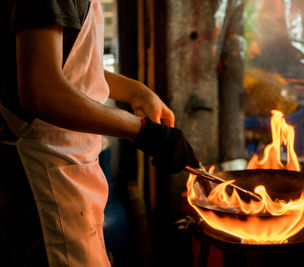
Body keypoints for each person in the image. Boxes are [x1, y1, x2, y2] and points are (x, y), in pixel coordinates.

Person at [0, 0, 199, 266]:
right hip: (42, 182)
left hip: (68, 173)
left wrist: (136, 91)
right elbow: (41, 90)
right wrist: (143, 131)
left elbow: (72, 67)